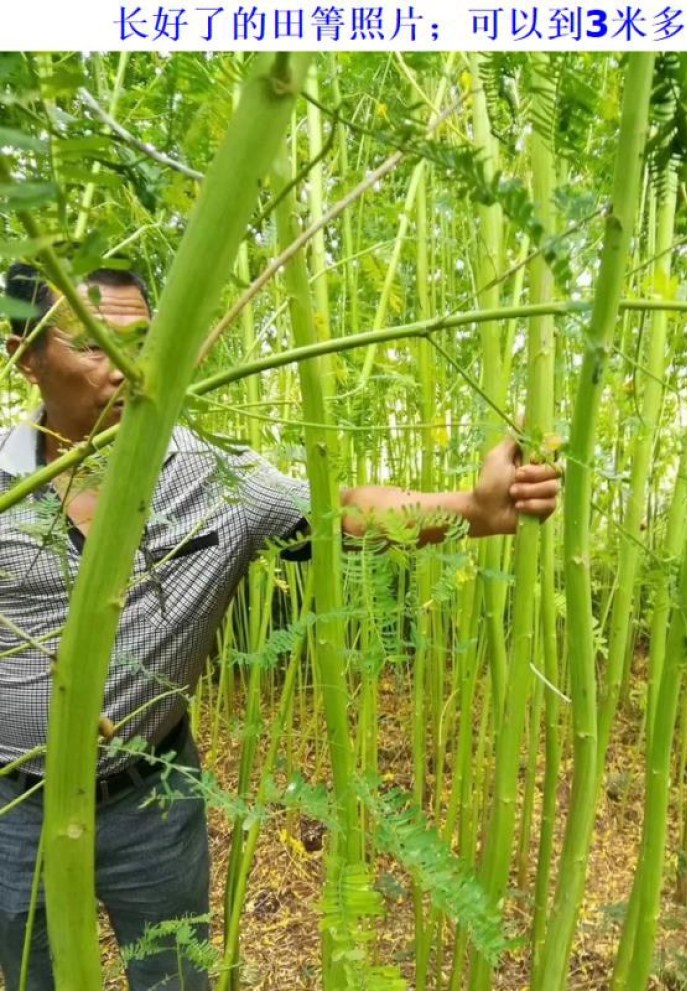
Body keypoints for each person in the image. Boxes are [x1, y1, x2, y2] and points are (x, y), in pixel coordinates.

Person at [0, 263, 560, 991]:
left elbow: (340, 510)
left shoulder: (212, 479)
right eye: (97, 343)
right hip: (14, 807)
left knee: (174, 978)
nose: (128, 366)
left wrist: (472, 509)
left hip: (150, 800)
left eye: (143, 339)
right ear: (25, 354)